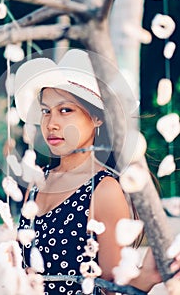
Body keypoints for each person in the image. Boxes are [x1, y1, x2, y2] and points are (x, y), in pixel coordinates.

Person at [14, 49, 180, 295]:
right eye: (46, 110)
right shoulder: (38, 181)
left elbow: (112, 287)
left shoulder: (104, 189)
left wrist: (146, 277)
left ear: (97, 118)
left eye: (65, 110)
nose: (52, 123)